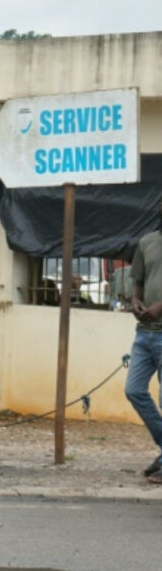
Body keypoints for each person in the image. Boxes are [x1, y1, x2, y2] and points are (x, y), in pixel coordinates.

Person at [124, 204, 162, 484]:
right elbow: (138, 281)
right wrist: (135, 300)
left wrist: (160, 306)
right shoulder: (147, 241)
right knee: (134, 390)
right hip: (144, 332)